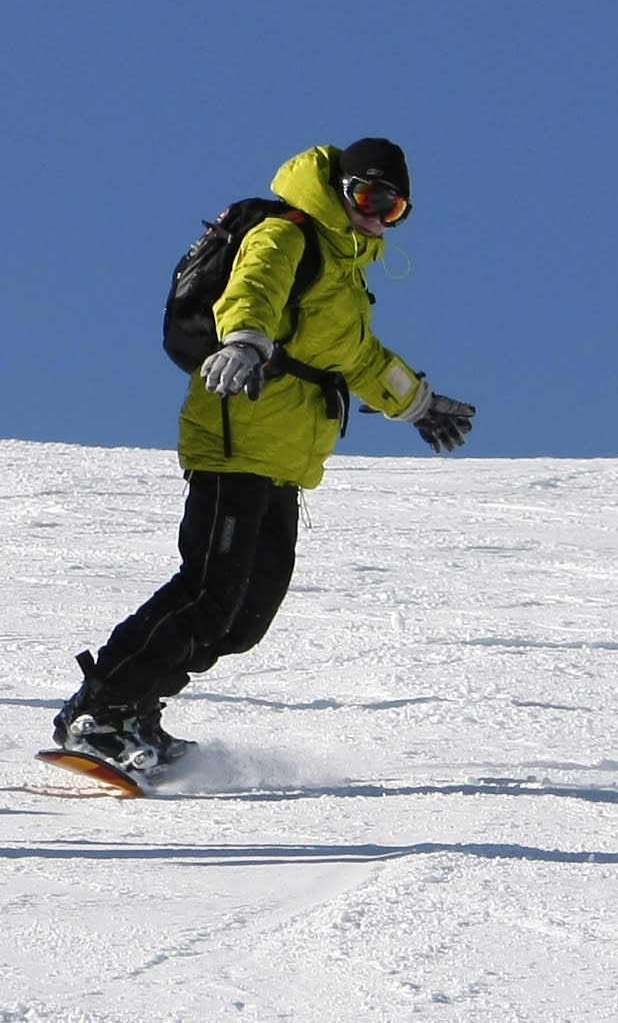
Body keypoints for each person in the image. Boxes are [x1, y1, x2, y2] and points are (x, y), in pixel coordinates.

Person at [51, 138, 477, 775]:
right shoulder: (287, 235)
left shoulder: (343, 269)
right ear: (340, 188)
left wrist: (418, 404)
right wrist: (246, 343)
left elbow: (358, 358)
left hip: (284, 455)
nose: (375, 215)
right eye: (367, 197)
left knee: (245, 617)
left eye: (393, 209)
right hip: (235, 432)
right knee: (208, 592)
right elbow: (249, 293)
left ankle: (137, 708)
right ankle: (101, 708)